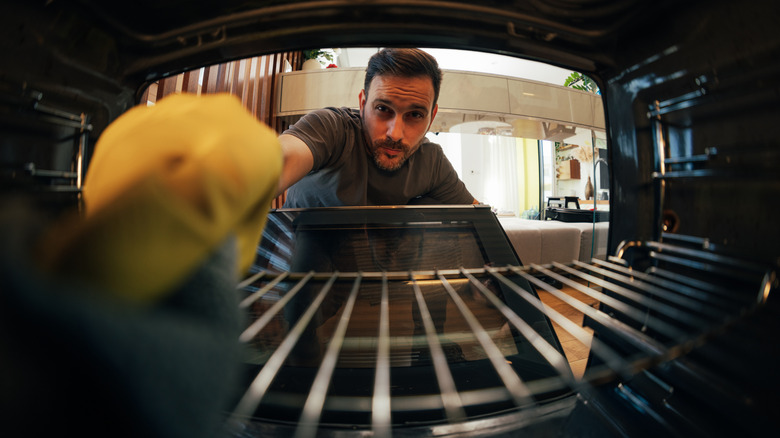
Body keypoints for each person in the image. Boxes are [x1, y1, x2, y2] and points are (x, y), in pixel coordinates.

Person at [276, 48, 478, 207]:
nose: (395, 134)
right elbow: (279, 159)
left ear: (431, 117)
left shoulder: (431, 162)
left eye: (415, 115)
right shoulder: (331, 128)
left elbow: (481, 220)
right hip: (292, 253)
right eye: (382, 108)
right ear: (363, 104)